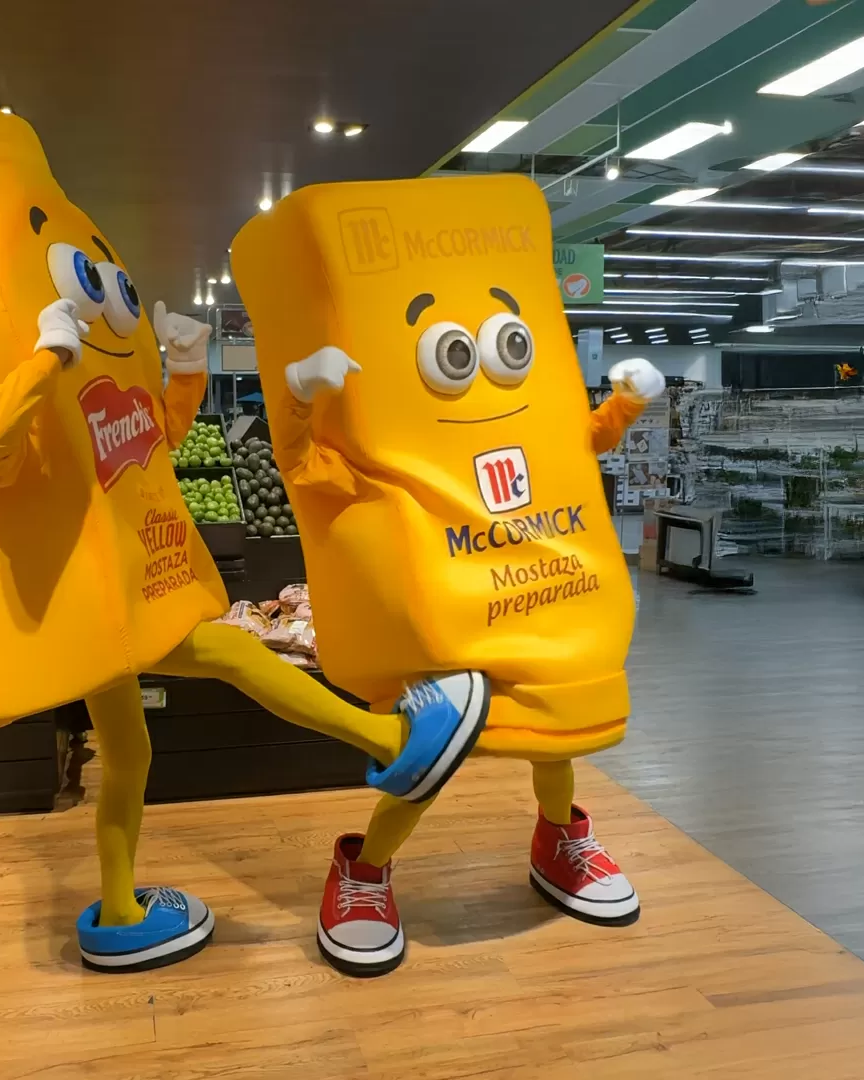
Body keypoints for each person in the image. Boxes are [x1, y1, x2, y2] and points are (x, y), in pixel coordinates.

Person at [0, 82, 483, 974]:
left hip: (127, 579)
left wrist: (184, 372)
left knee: (129, 754)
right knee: (223, 651)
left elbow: (151, 446)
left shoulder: (93, 389)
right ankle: (390, 743)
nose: (109, 294)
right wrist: (43, 359)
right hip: (96, 595)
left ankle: (119, 911)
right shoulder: (41, 382)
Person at [231, 173, 665, 975]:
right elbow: (302, 466)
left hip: (540, 595)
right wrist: (296, 395)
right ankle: (363, 870)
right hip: (443, 615)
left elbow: (578, 446)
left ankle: (559, 838)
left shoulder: (536, 419)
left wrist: (624, 408)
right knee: (433, 753)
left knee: (555, 732)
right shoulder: (384, 445)